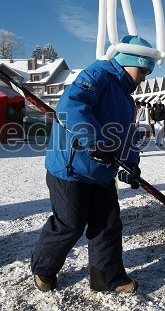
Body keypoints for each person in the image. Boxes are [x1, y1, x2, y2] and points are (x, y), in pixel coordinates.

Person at [31, 35, 155, 294]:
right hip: (71, 169)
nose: (145, 76)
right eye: (143, 69)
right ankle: (44, 268)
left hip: (102, 171)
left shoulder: (127, 99)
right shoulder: (99, 73)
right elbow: (71, 105)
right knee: (70, 224)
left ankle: (107, 278)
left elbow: (127, 134)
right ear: (128, 61)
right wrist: (95, 140)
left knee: (108, 224)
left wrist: (131, 163)